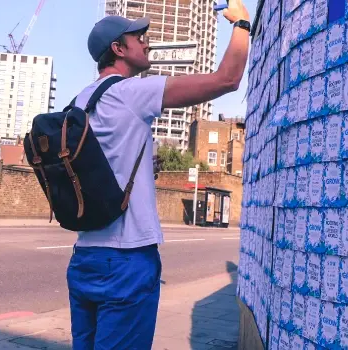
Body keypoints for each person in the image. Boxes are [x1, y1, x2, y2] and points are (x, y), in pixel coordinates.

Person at [66, 0, 250, 348]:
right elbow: (227, 79)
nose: (147, 42)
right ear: (118, 49)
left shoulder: (78, 102)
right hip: (127, 260)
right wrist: (241, 25)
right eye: (138, 37)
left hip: (84, 258)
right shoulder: (129, 92)